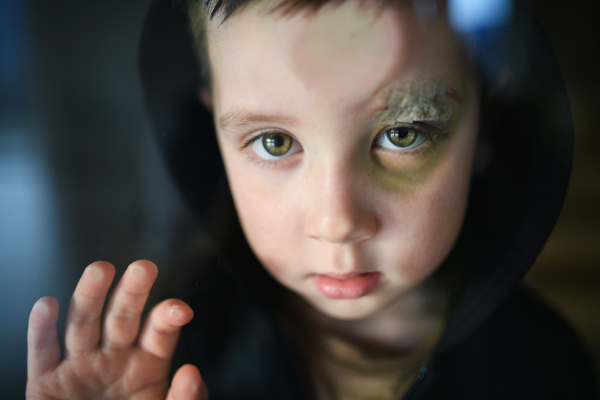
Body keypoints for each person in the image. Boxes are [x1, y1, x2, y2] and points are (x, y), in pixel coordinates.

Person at [25, 0, 598, 399]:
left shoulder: (542, 369)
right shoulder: (172, 355)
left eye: (403, 134)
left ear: (485, 127)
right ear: (214, 136)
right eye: (275, 142)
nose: (337, 222)